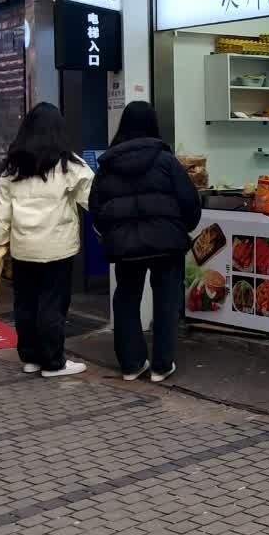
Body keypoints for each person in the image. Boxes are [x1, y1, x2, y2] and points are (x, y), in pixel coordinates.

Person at [89, 101, 201, 384]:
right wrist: (180, 228)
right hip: (166, 242)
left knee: (126, 297)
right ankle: (162, 366)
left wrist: (114, 233)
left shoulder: (107, 164)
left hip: (125, 246)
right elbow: (190, 201)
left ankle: (131, 363)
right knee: (166, 300)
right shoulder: (166, 160)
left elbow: (96, 208)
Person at [0, 103, 93, 378]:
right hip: (58, 247)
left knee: (25, 303)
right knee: (52, 304)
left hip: (23, 247)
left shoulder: (14, 167)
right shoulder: (70, 164)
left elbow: (2, 210)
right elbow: (92, 197)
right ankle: (53, 362)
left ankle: (31, 358)